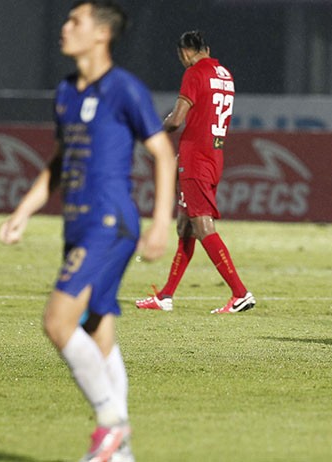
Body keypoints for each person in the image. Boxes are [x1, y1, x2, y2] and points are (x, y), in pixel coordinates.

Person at [0, 1, 176, 460]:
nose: (64, 27)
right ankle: (120, 451)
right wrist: (23, 211)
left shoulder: (123, 89)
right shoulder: (65, 91)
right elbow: (59, 163)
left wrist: (160, 224)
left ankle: (111, 424)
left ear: (101, 34)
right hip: (78, 225)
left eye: (75, 20)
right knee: (98, 330)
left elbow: (162, 154)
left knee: (58, 322)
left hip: (109, 222)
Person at [135, 30, 255, 314]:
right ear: (206, 48)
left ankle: (240, 293)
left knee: (201, 226)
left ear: (185, 52)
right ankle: (165, 296)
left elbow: (176, 120)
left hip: (196, 158)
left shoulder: (194, 72)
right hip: (214, 154)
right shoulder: (224, 74)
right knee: (185, 226)